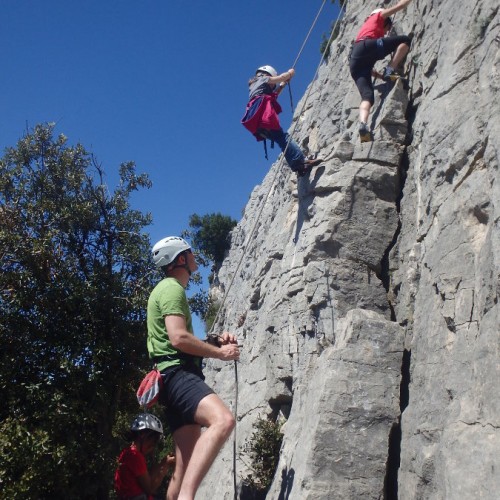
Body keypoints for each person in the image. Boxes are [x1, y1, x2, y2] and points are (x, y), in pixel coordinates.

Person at [147, 236, 240, 500]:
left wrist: (212, 341)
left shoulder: (164, 290)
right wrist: (221, 353)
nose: (194, 256)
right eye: (190, 252)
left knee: (184, 465)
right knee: (222, 420)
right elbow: (178, 338)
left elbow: (175, 340)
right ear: (181, 259)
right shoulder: (171, 288)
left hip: (168, 380)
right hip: (178, 375)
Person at [242, 65, 323, 176]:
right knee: (284, 138)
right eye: (272, 85)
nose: (273, 86)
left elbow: (273, 95)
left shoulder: (256, 87)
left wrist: (282, 86)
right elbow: (280, 77)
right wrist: (290, 74)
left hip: (258, 124)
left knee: (281, 139)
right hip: (263, 117)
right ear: (267, 74)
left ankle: (299, 166)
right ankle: (300, 161)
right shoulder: (263, 78)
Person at [349, 1, 413, 142]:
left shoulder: (364, 27)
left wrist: (379, 76)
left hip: (356, 63)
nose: (386, 33)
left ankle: (363, 125)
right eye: (387, 29)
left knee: (368, 97)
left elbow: (365, 64)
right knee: (405, 40)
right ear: (385, 22)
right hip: (367, 45)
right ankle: (390, 69)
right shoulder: (378, 15)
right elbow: (400, 7)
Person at [115, 413, 175, 500]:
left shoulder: (127, 453)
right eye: (154, 440)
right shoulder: (135, 456)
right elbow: (150, 488)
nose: (153, 445)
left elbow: (149, 478)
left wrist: (160, 461)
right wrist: (166, 464)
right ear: (143, 435)